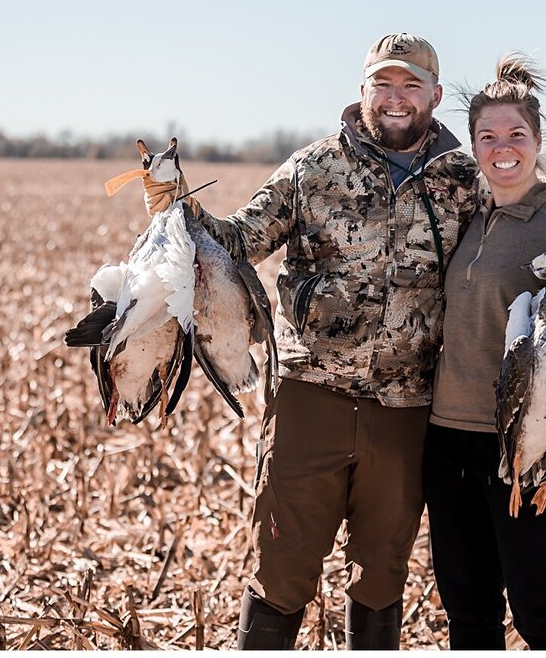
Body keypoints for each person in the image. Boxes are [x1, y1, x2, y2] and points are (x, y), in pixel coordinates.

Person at [143, 34, 478, 650]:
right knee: (282, 569)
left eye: (410, 85)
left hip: (408, 409)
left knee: (381, 576)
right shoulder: (314, 168)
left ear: (434, 93)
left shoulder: (464, 182)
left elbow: (510, 247)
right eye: (384, 83)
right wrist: (174, 208)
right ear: (362, 91)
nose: (396, 98)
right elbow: (238, 240)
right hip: (309, 399)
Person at [424, 54, 546, 649]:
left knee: (540, 610)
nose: (501, 147)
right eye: (487, 136)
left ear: (537, 142)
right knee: (468, 614)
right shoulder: (464, 218)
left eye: (515, 135)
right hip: (447, 438)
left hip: (529, 445)